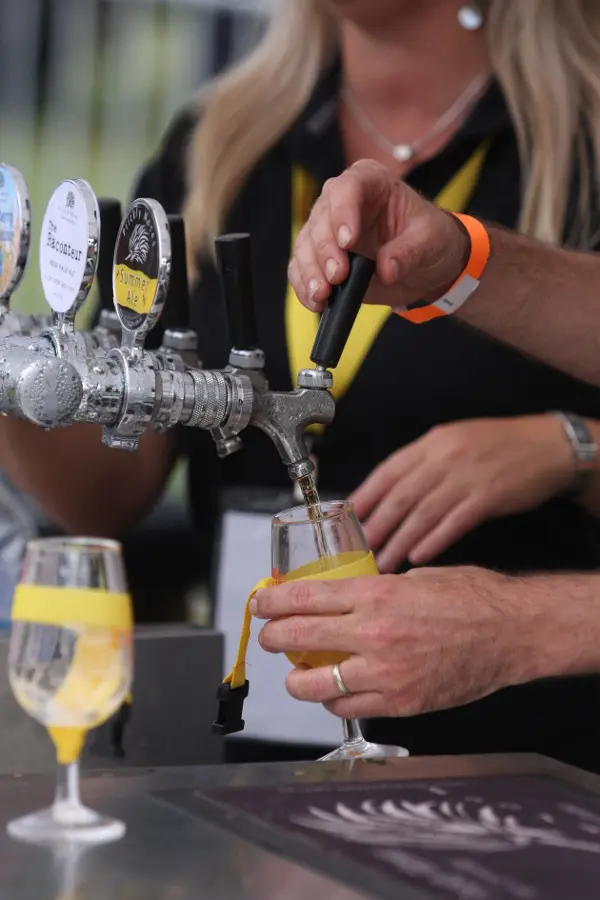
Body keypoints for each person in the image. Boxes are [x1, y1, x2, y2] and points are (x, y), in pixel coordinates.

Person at [4, 0, 600, 766]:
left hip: (531, 759)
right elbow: (109, 489)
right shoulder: (219, 142)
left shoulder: (578, 143)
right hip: (271, 761)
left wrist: (570, 447)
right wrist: (19, 382)